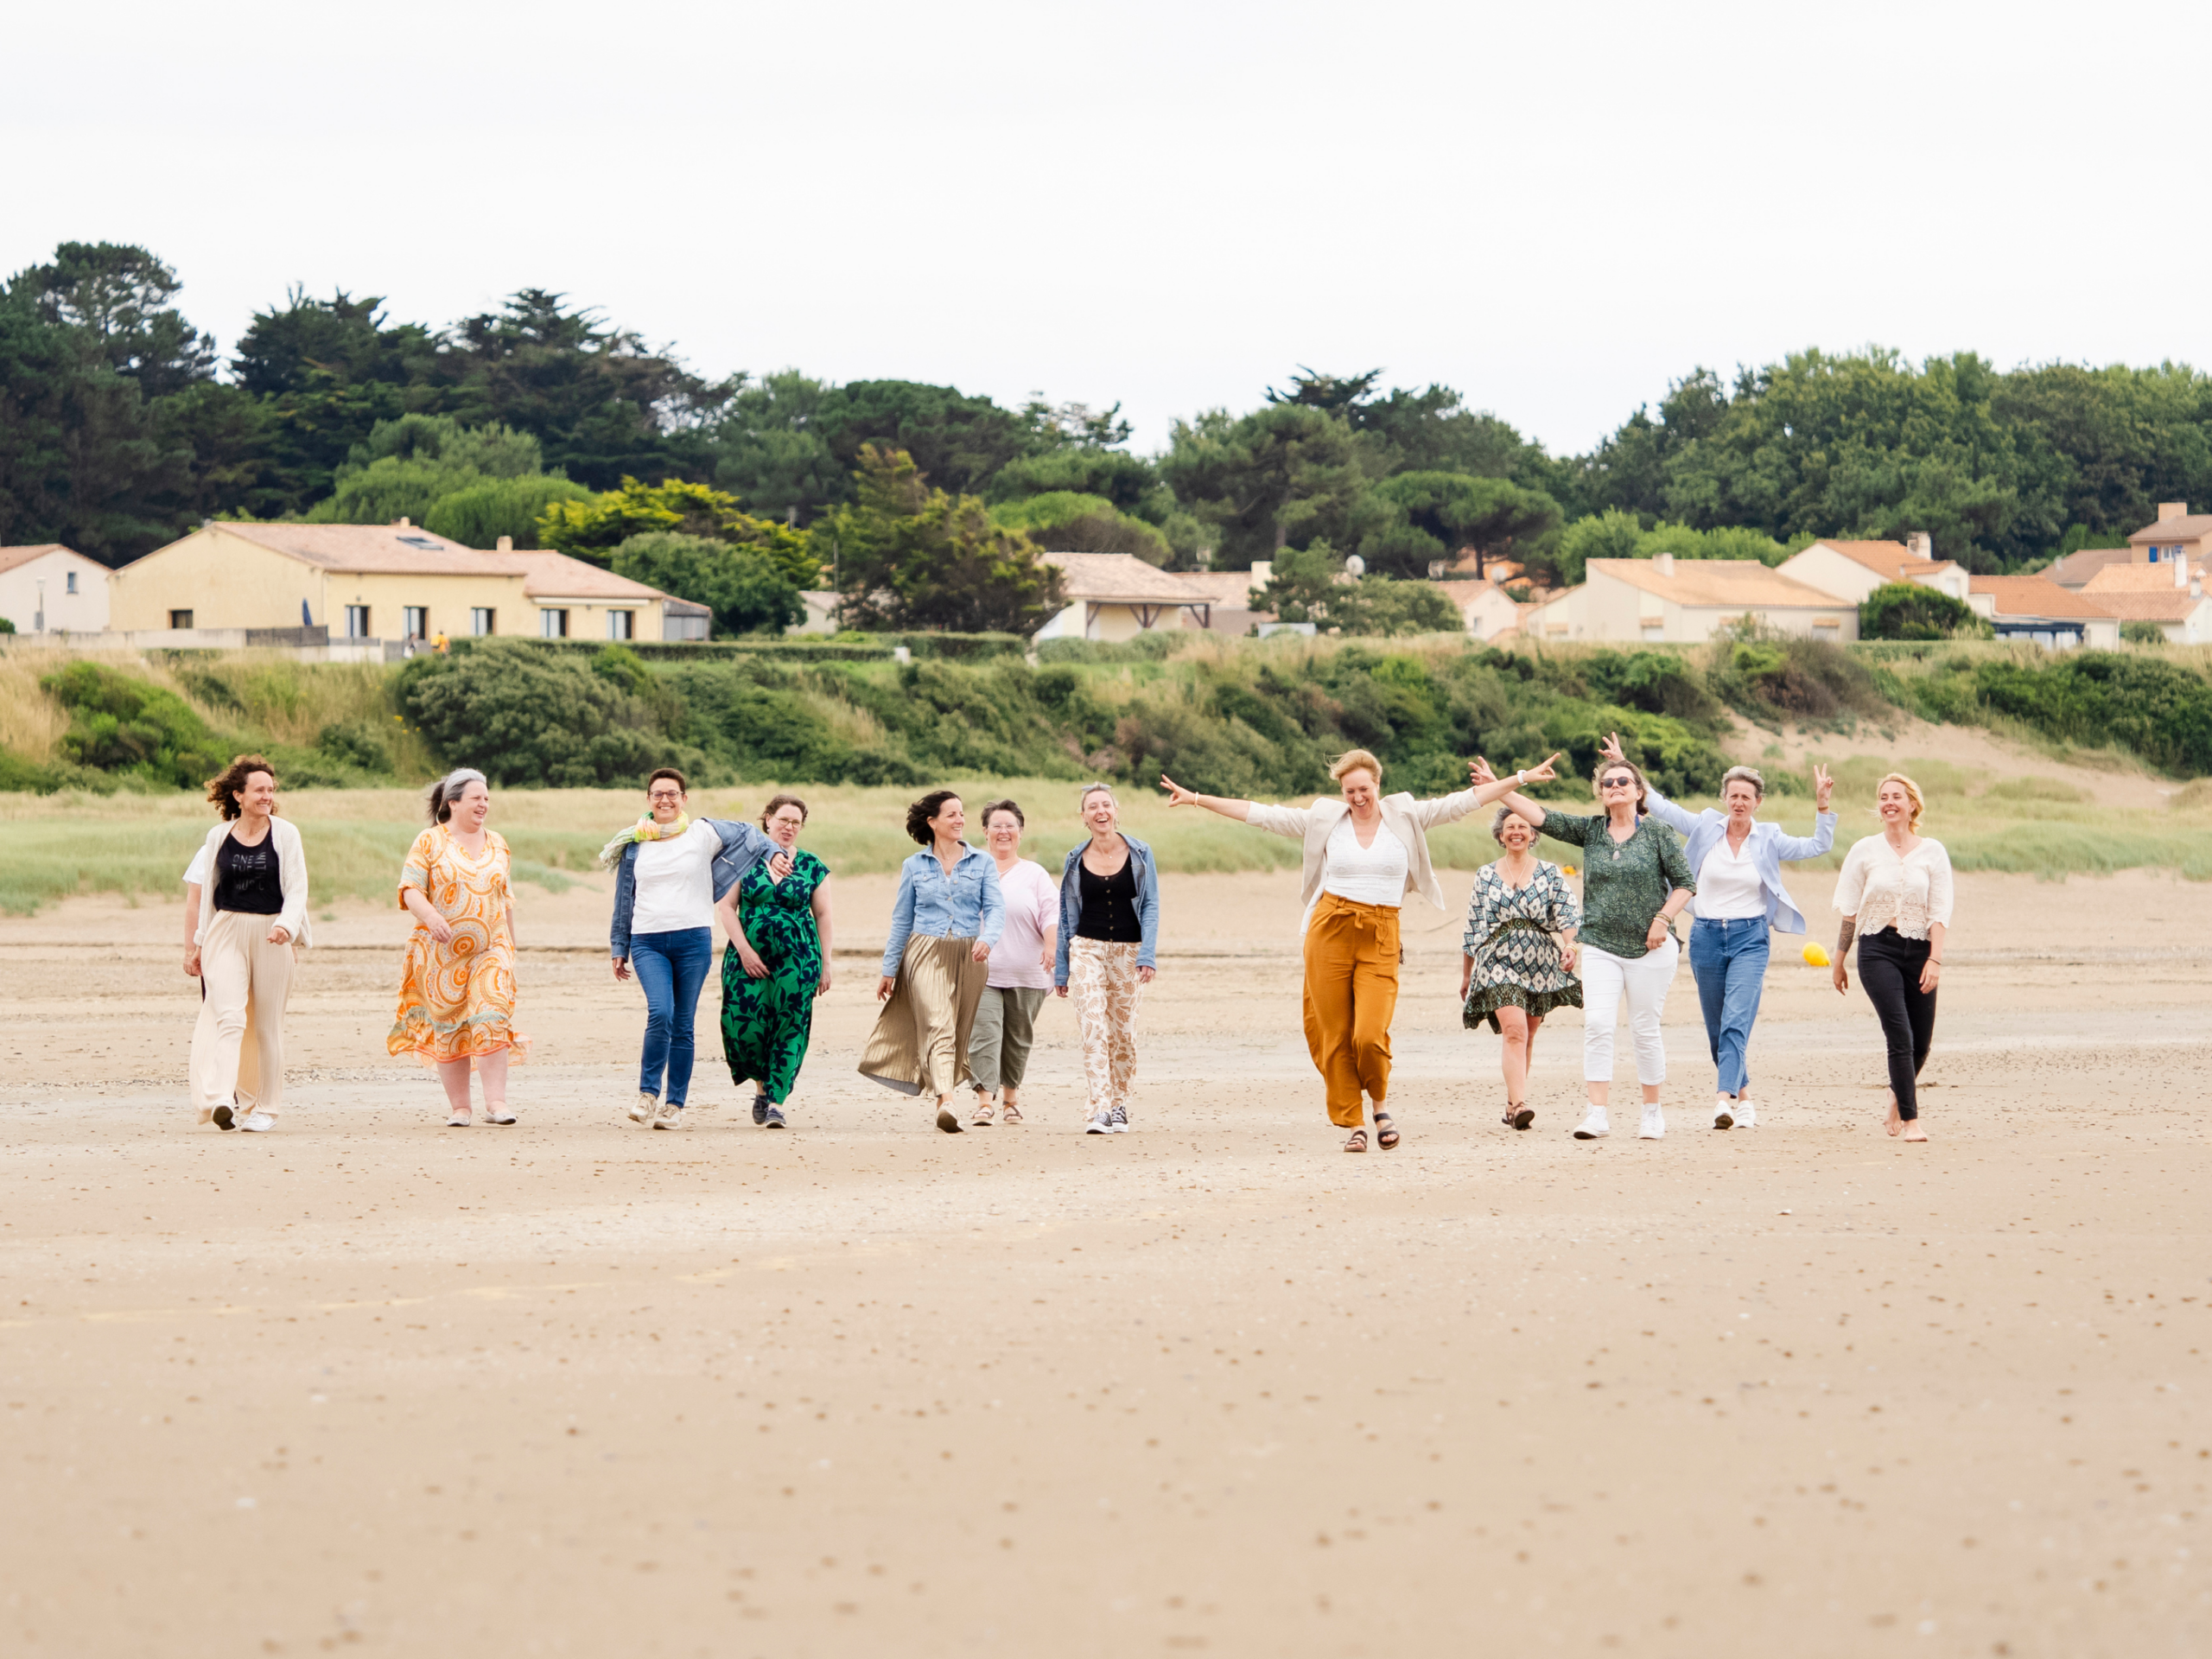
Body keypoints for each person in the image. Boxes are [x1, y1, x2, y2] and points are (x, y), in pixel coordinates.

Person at [1161, 750, 1554, 1152]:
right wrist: (1196, 798)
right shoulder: (1324, 819)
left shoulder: (1406, 815)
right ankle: (1356, 1123)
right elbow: (1261, 813)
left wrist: (1520, 778)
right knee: (1335, 1034)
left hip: (1382, 933)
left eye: (1364, 789)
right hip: (1329, 929)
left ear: (1377, 785)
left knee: (1369, 1034)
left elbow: (1464, 802)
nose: (1357, 797)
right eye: (1350, 791)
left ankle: (1379, 1103)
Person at [1602, 733, 1835, 1130]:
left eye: (1747, 796)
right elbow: (1661, 806)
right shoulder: (1706, 826)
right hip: (1706, 937)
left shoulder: (1770, 837)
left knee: (1736, 1021)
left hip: (1750, 938)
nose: (1739, 802)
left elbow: (1818, 845)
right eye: (1733, 795)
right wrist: (1626, 769)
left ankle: (1722, 1101)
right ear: (1725, 798)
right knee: (1716, 1028)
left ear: (1757, 802)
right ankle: (1744, 1099)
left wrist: (1823, 805)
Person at [1484, 753, 1695, 1142]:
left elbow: (1685, 883)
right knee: (1598, 1024)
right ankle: (1596, 1113)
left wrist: (1662, 919)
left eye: (1623, 782)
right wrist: (1505, 784)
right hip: (1598, 944)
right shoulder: (1592, 830)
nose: (1615, 787)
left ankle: (1652, 1112)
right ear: (1601, 792)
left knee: (1644, 1029)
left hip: (1651, 947)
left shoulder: (1659, 833)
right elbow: (1540, 815)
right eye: (1608, 783)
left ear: (1638, 791)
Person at [604, 769, 789, 1129]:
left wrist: (773, 853)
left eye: (672, 794)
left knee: (683, 1023)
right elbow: (624, 899)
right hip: (647, 940)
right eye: (658, 794)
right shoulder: (634, 843)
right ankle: (647, 1094)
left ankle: (674, 1106)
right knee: (661, 1012)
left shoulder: (703, 832)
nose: (665, 801)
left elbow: (752, 834)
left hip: (693, 941)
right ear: (648, 799)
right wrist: (619, 945)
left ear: (684, 799)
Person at [861, 789, 1005, 1133]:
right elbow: (901, 920)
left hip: (972, 952)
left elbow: (996, 909)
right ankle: (949, 1099)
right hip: (925, 951)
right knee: (937, 1024)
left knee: (958, 1028)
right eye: (952, 814)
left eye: (962, 814)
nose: (960, 820)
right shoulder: (913, 865)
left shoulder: (982, 862)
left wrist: (988, 939)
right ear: (932, 822)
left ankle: (943, 1100)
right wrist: (889, 968)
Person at [389, 769, 528, 1126]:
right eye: (476, 798)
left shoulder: (498, 842)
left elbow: (506, 899)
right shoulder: (430, 841)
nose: (484, 804)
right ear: (453, 802)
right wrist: (432, 916)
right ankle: (460, 1108)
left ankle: (496, 1103)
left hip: (490, 948)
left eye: (487, 798)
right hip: (440, 954)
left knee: (493, 1013)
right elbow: (410, 889)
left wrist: (510, 950)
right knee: (449, 1027)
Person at [188, 756, 310, 1133]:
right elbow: (209, 894)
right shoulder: (217, 837)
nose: (267, 796)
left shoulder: (286, 834)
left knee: (267, 1027)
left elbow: (297, 888)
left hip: (272, 933)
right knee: (229, 1016)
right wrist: (198, 945)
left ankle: (266, 1108)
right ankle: (221, 1098)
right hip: (225, 932)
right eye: (259, 790)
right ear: (239, 794)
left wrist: (287, 927)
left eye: (271, 790)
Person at [1830, 772, 1952, 1143]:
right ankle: (1912, 1122)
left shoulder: (1933, 852)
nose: (1889, 802)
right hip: (1876, 948)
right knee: (1899, 1034)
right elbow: (1850, 911)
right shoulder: (1864, 850)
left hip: (1919, 952)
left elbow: (1940, 911)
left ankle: (1896, 1094)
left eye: (1896, 796)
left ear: (1912, 804)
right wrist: (1838, 960)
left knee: (1922, 1043)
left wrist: (1935, 960)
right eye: (1883, 797)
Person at [1460, 803, 1582, 1132]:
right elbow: (1473, 927)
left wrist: (1570, 946)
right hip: (1496, 957)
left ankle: (1513, 1102)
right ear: (1500, 835)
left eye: (1523, 827)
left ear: (1533, 835)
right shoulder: (1485, 875)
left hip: (1540, 959)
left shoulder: (1550, 873)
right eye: (1510, 827)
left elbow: (1569, 916)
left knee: (1527, 1033)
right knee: (1514, 1031)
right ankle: (1520, 1105)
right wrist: (1467, 973)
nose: (1516, 831)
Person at [718, 793, 834, 1131]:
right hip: (747, 958)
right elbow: (726, 908)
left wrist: (826, 964)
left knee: (790, 1026)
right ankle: (761, 1087)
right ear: (767, 819)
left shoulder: (812, 865)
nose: (789, 827)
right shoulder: (743, 859)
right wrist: (744, 950)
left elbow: (824, 915)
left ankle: (776, 1103)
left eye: (796, 822)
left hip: (798, 960)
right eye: (783, 819)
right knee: (744, 1027)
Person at [1052, 785, 1160, 1135]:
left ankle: (1119, 1104)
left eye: (1106, 805)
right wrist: (1062, 970)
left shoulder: (1141, 853)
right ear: (1083, 816)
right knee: (1094, 1028)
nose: (1100, 812)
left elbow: (1151, 906)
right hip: (1087, 948)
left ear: (1116, 810)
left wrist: (1147, 953)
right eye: (1092, 807)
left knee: (1123, 1034)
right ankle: (1098, 1108)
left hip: (1128, 950)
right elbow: (1066, 917)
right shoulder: (1073, 859)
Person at [968, 799, 1057, 1126]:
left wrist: (1051, 947)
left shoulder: (1034, 873)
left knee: (1018, 1038)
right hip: (981, 970)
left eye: (1010, 826)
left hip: (1027, 970)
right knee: (984, 1033)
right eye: (996, 826)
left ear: (1020, 832)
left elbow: (1051, 914)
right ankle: (984, 1102)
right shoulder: (972, 867)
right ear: (985, 832)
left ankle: (1010, 1099)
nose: (1003, 832)